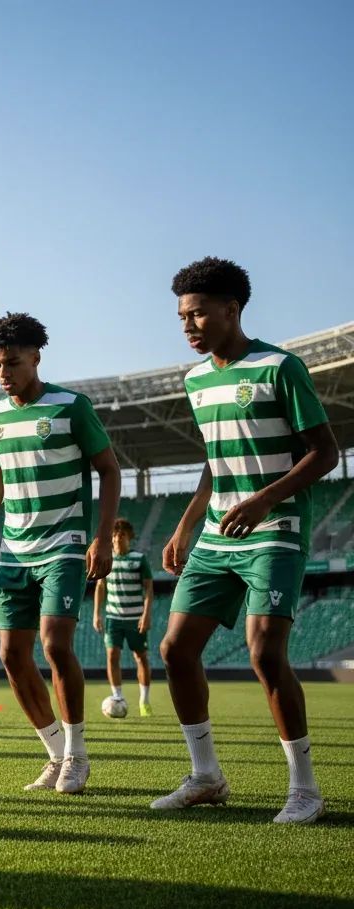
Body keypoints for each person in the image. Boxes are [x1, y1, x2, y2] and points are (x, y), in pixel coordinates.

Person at [156, 257, 339, 824]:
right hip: (216, 532)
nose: (189, 325)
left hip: (274, 531)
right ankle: (207, 776)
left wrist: (263, 499)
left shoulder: (279, 367)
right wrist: (188, 523)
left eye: (199, 314)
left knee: (265, 653)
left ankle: (305, 788)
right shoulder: (195, 379)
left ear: (232, 310)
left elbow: (324, 453)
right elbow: (216, 460)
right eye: (182, 316)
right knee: (175, 650)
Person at [0, 312, 120, 794]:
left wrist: (102, 536)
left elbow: (109, 470)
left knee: (55, 644)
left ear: (36, 357)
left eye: (12, 363)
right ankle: (54, 755)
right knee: (10, 654)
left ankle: (78, 756)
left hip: (64, 545)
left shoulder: (71, 406)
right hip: (14, 552)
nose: (3, 373)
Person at [93, 518, 154, 715]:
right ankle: (117, 696)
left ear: (129, 538)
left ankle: (144, 701)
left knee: (140, 657)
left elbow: (149, 589)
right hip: (113, 617)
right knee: (112, 655)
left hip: (135, 617)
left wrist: (146, 614)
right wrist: (96, 614)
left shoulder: (139, 559)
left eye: (122, 535)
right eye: (115, 535)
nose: (118, 539)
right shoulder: (106, 558)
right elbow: (100, 587)